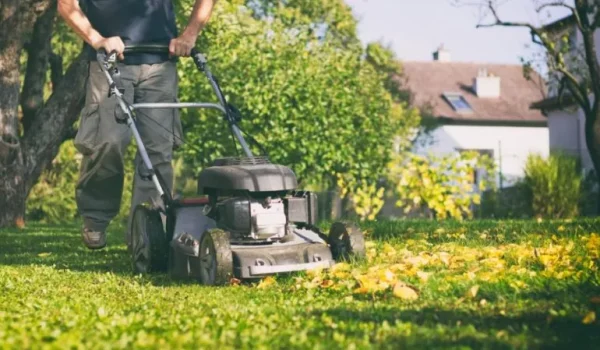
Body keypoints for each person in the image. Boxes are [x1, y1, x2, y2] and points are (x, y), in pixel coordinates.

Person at [58, 0, 217, 250]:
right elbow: (66, 4)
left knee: (158, 151)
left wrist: (189, 34)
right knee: (107, 141)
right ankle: (96, 218)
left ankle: (147, 234)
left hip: (160, 63)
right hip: (110, 61)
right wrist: (97, 39)